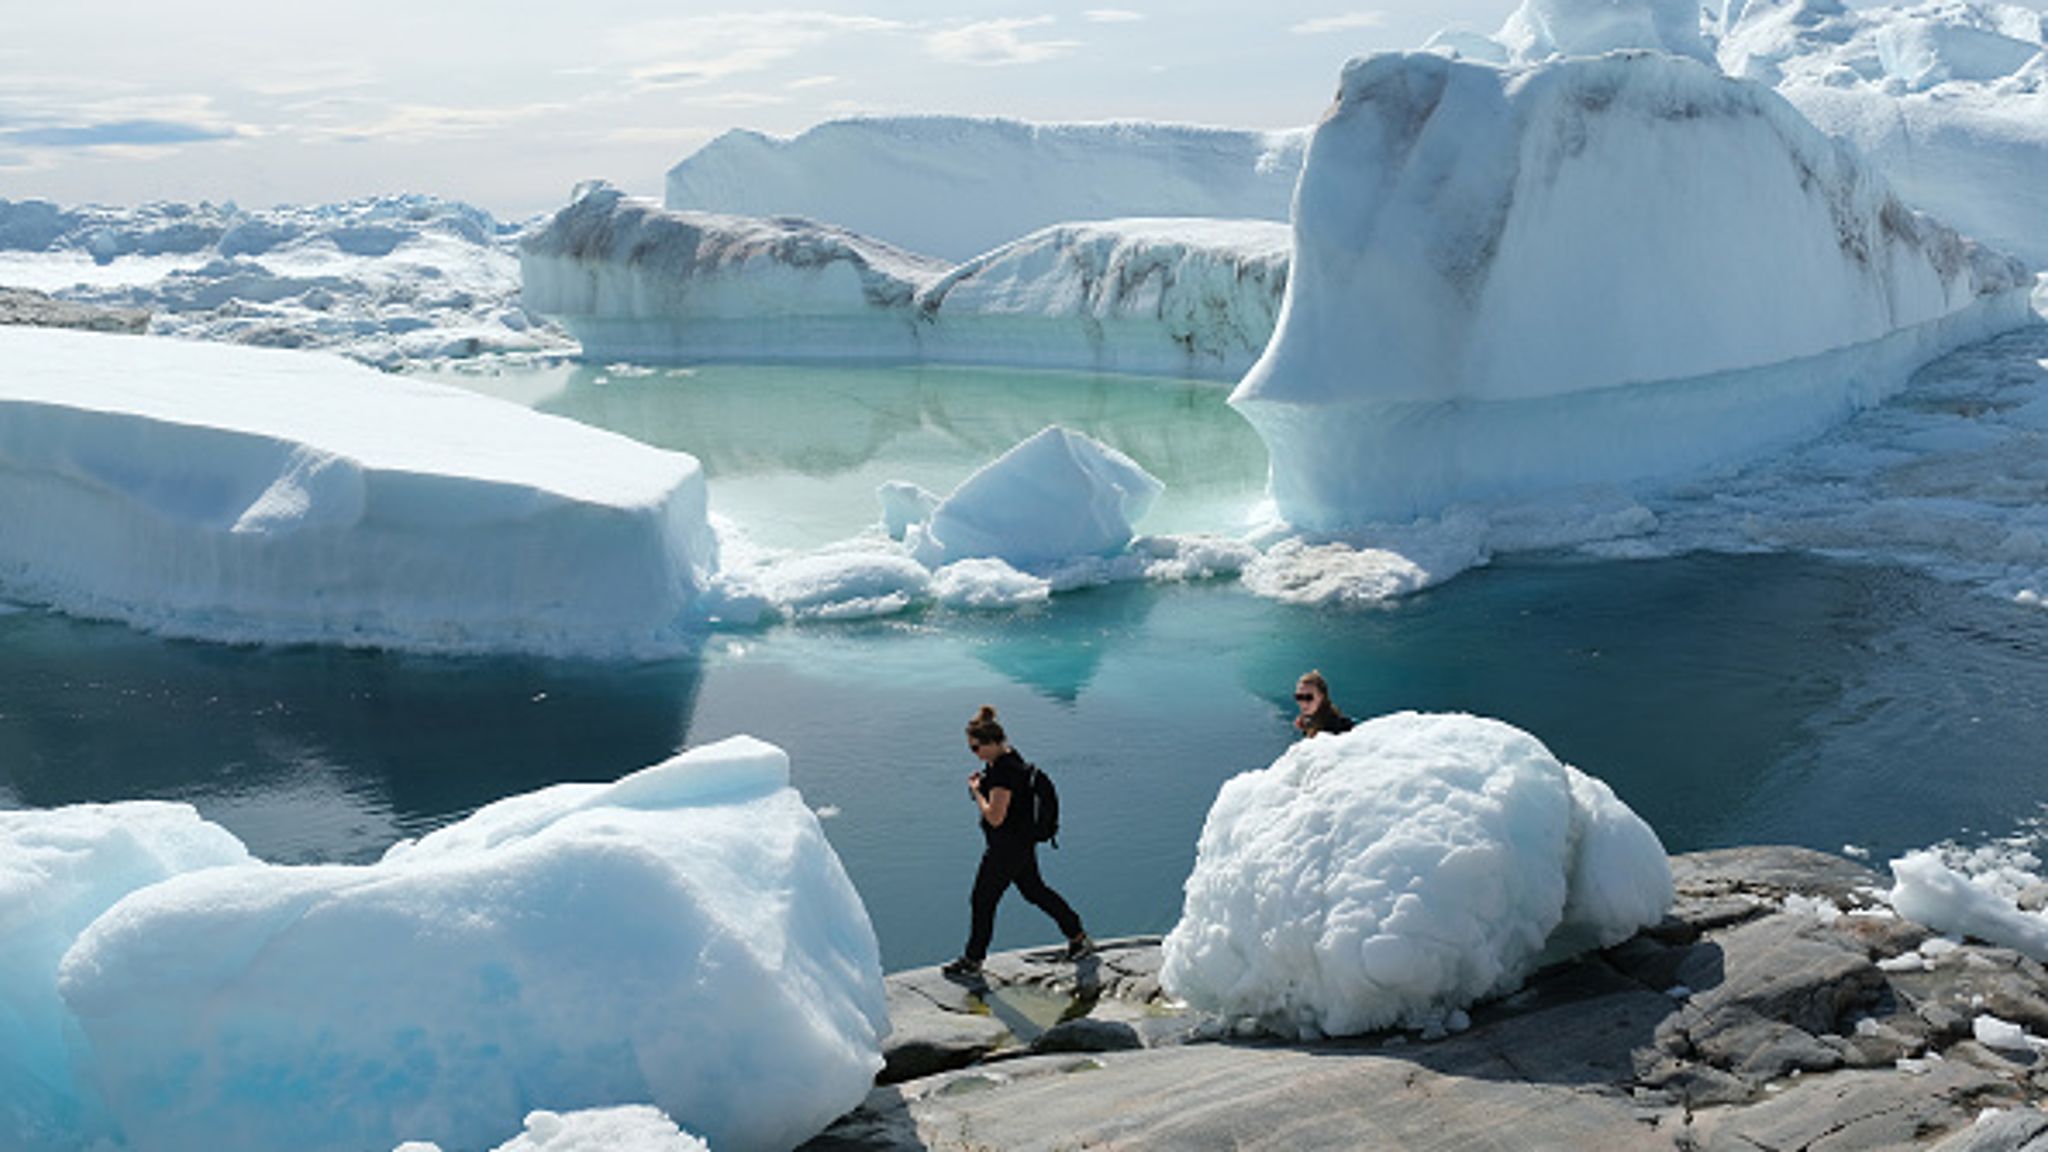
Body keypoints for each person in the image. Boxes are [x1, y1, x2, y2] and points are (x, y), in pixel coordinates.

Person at [941, 705, 1092, 979]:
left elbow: (996, 816)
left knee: (982, 900)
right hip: (1021, 844)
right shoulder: (1008, 759)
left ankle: (973, 961)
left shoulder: (1003, 773)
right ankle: (1077, 936)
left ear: (991, 743)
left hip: (1005, 849)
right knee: (1034, 890)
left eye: (975, 748)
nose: (974, 754)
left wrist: (976, 792)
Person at [1293, 669, 1354, 738]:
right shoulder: (1312, 719)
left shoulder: (1334, 728)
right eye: (1299, 697)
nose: (1303, 703)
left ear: (1321, 697)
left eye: (1308, 697)